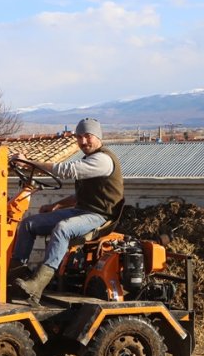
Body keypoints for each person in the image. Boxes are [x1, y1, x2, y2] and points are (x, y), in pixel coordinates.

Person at [10, 117, 123, 306]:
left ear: (98, 137)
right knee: (29, 224)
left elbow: (67, 170)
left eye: (88, 136)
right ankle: (15, 274)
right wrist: (57, 206)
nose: (83, 141)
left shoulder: (103, 160)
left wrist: (29, 163)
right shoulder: (89, 159)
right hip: (81, 211)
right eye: (79, 137)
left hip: (100, 216)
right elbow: (81, 195)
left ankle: (38, 285)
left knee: (63, 228)